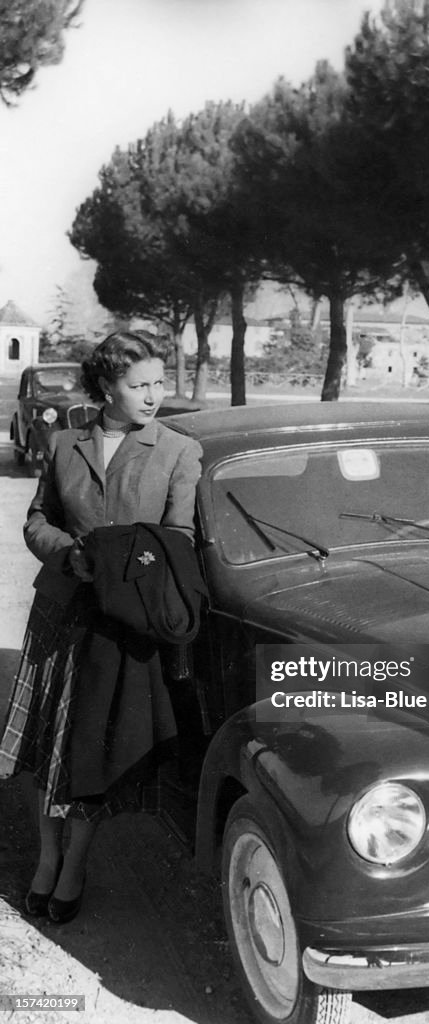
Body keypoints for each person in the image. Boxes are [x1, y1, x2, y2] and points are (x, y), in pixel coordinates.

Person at [0, 331, 203, 924]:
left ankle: (75, 865)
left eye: (159, 383)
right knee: (49, 749)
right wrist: (69, 554)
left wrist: (121, 565)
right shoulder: (65, 445)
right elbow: (38, 521)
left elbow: (180, 540)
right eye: (139, 385)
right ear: (106, 388)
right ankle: (45, 857)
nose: (153, 396)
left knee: (89, 750)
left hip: (123, 625)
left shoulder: (177, 451)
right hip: (61, 615)